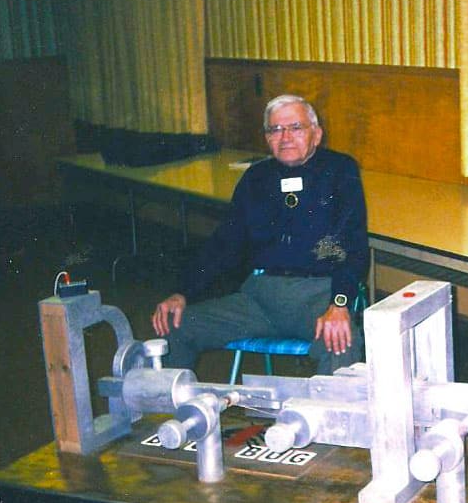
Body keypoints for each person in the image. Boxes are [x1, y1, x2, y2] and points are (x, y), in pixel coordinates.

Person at [151, 95, 369, 376]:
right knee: (175, 325)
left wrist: (340, 303)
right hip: (259, 296)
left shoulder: (340, 170)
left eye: (296, 127)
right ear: (267, 138)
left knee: (340, 340)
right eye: (275, 130)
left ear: (316, 134)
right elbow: (224, 244)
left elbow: (351, 244)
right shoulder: (257, 177)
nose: (285, 137)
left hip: (319, 294)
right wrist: (182, 292)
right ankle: (179, 414)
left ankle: (333, 420)